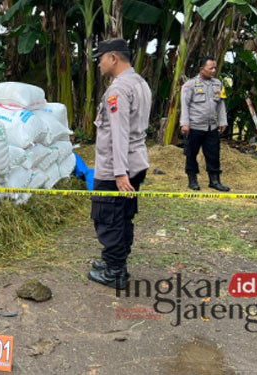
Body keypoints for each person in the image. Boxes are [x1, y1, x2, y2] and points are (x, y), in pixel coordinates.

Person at [88, 38, 151, 290]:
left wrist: (119, 173)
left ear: (113, 58)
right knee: (123, 216)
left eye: (100, 59)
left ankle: (115, 271)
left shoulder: (118, 90)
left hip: (117, 167)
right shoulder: (140, 83)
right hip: (136, 161)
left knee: (108, 216)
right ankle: (114, 262)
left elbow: (118, 133)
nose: (99, 64)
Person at [180, 56, 230, 192]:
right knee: (191, 154)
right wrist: (185, 123)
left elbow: (221, 104)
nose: (214, 70)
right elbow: (184, 105)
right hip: (195, 126)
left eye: (215, 68)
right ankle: (192, 180)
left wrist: (223, 121)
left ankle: (215, 181)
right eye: (210, 68)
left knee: (213, 154)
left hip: (211, 127)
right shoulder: (190, 85)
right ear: (202, 69)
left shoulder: (218, 84)